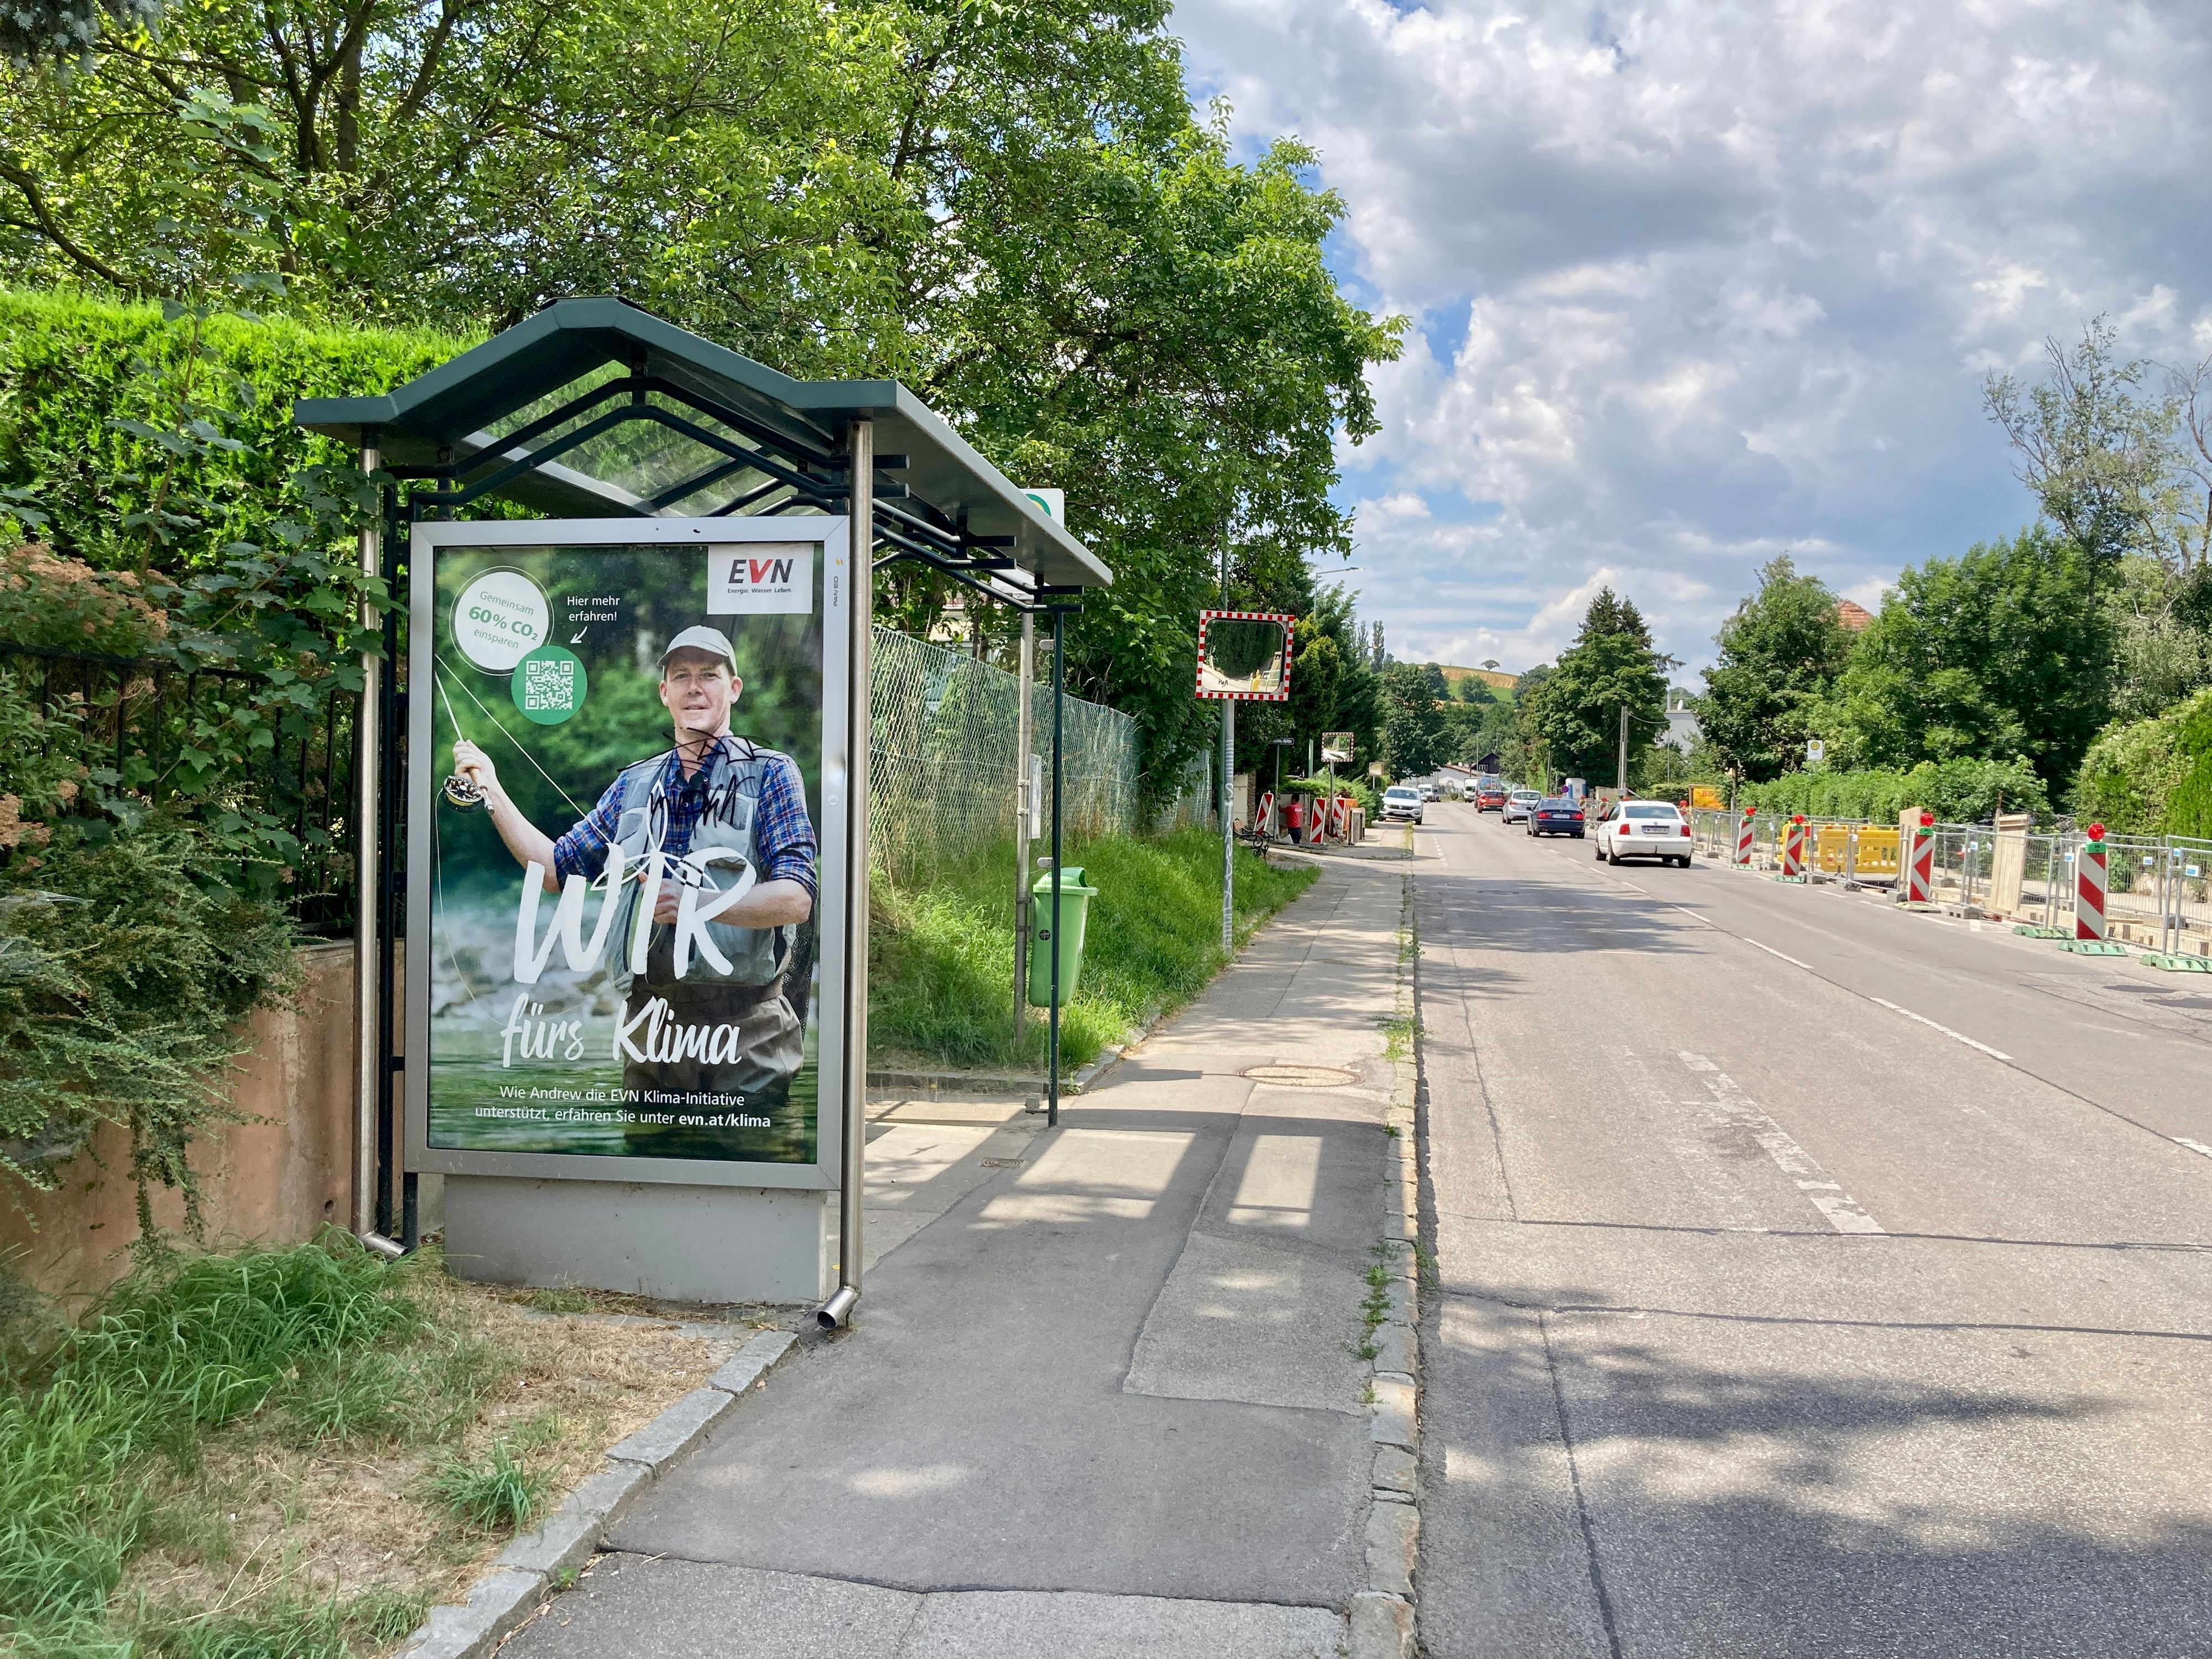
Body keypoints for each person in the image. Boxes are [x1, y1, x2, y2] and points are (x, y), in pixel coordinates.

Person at [452, 625, 817, 1156]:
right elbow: (555, 870)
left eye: (709, 676)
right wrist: (490, 787)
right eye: (682, 676)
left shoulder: (773, 774)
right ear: (664, 692)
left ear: (732, 689)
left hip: (749, 1032)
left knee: (749, 1185)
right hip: (652, 1033)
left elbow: (795, 898)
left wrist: (693, 906)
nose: (696, 688)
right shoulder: (634, 785)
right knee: (648, 1178)